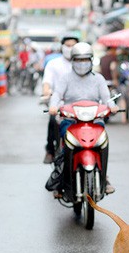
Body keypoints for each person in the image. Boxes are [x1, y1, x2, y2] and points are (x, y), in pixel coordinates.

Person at [48, 42, 119, 199]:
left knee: (103, 141)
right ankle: (62, 179)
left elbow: (107, 99)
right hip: (71, 120)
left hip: (94, 120)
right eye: (78, 60)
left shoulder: (98, 79)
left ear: (91, 60)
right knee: (65, 142)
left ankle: (104, 177)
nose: (82, 63)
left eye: (85, 60)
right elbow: (57, 95)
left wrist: (112, 107)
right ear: (72, 60)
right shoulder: (65, 78)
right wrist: (53, 106)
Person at [41, 35, 79, 164]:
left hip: (81, 105)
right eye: (67, 45)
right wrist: (47, 91)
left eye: (73, 45)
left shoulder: (82, 64)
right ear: (62, 47)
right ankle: (50, 150)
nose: (70, 48)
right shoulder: (53, 64)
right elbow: (47, 83)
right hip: (59, 104)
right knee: (53, 120)